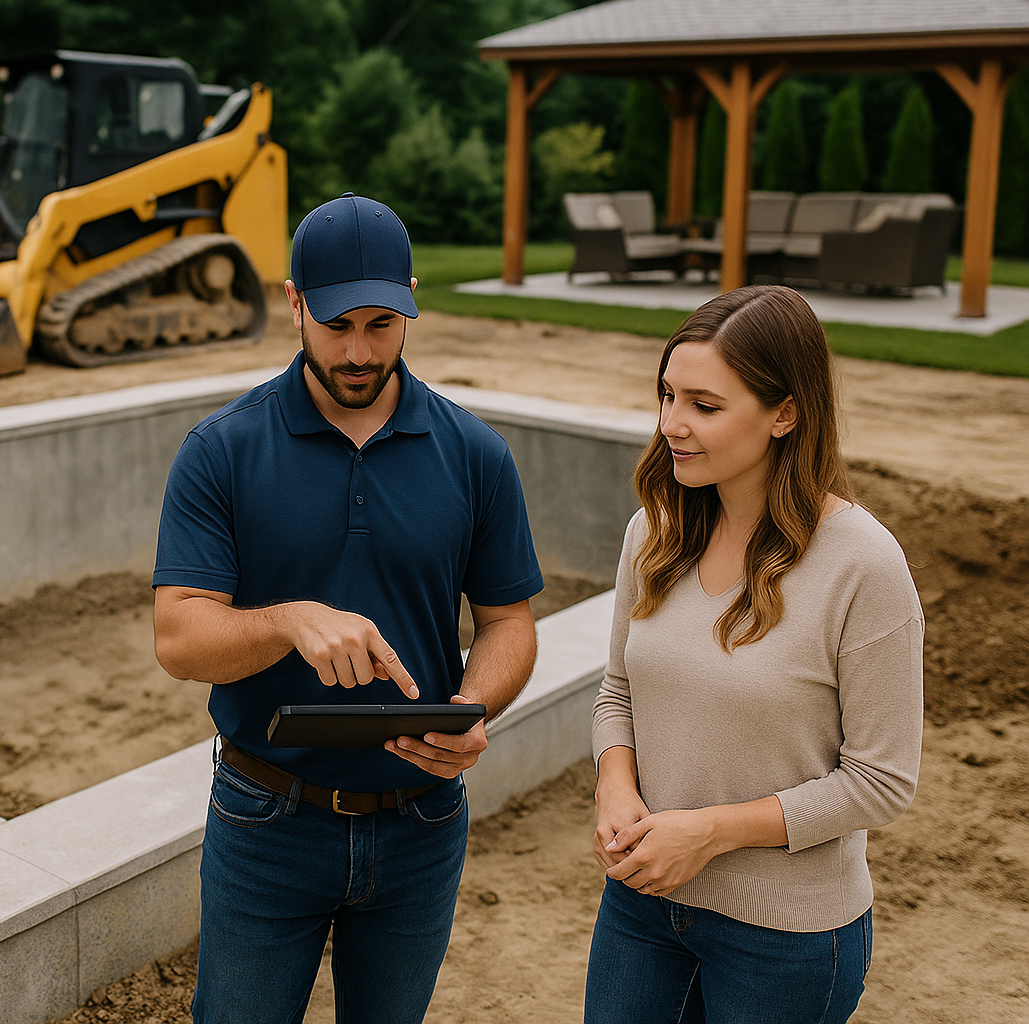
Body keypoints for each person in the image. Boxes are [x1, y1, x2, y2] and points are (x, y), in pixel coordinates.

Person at [151, 193, 544, 1024]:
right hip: (267, 821)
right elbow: (180, 639)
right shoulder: (222, 450)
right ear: (294, 304)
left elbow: (508, 623)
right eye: (336, 326)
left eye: (381, 323)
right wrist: (288, 618)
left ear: (409, 299)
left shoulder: (475, 454)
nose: (360, 352)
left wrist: (477, 708)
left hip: (423, 823)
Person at [585, 285, 924, 1023]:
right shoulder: (654, 531)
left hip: (788, 938)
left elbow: (882, 782)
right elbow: (618, 694)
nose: (672, 424)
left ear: (785, 413)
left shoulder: (862, 565)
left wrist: (708, 832)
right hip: (641, 908)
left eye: (705, 406)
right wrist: (616, 786)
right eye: (667, 395)